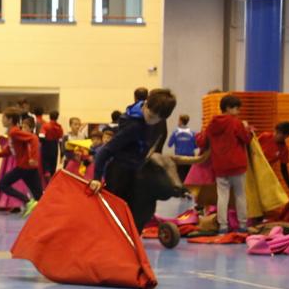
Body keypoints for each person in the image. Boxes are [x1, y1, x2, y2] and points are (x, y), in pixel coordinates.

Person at [89, 88, 179, 231]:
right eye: (150, 115)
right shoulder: (133, 125)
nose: (152, 120)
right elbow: (105, 151)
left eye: (157, 118)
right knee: (116, 216)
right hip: (119, 172)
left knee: (144, 211)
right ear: (146, 105)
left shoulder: (158, 122)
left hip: (138, 170)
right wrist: (96, 178)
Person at [196, 94, 253, 233]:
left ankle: (223, 226)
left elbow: (202, 142)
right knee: (240, 194)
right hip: (238, 165)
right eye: (236, 108)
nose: (238, 112)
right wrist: (248, 129)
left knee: (222, 196)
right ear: (228, 108)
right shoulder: (236, 123)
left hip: (220, 166)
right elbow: (246, 139)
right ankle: (242, 224)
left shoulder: (212, 124)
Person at [0, 110, 44, 216]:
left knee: (2, 184)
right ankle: (47, 214)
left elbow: (34, 138)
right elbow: (8, 152)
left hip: (24, 167)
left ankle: (27, 201)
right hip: (28, 169)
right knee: (39, 196)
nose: (2, 120)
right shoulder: (11, 132)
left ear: (10, 120)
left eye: (4, 118)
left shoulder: (14, 131)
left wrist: (33, 157)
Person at [259, 121, 289, 189]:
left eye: (281, 134)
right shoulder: (264, 136)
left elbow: (284, 169)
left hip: (264, 173)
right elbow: (252, 148)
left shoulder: (284, 150)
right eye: (276, 132)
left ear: (286, 136)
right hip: (252, 168)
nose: (276, 135)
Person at [166, 114, 197, 181]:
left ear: (180, 121)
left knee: (180, 177)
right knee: (189, 178)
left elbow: (169, 145)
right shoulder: (193, 133)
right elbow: (196, 146)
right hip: (191, 159)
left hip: (179, 159)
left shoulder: (175, 133)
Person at [40, 110, 64, 179]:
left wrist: (43, 142)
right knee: (53, 162)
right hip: (55, 145)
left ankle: (47, 172)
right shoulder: (59, 127)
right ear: (57, 117)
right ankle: (52, 174)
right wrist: (61, 152)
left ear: (49, 116)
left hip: (46, 144)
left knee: (45, 160)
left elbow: (41, 136)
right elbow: (60, 139)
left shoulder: (45, 125)